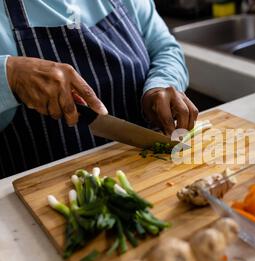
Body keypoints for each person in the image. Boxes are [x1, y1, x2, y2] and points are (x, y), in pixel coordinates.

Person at [0, 0, 198, 178]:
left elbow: (165, 48)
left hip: (149, 173)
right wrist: (8, 75)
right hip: (42, 193)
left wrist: (160, 84)